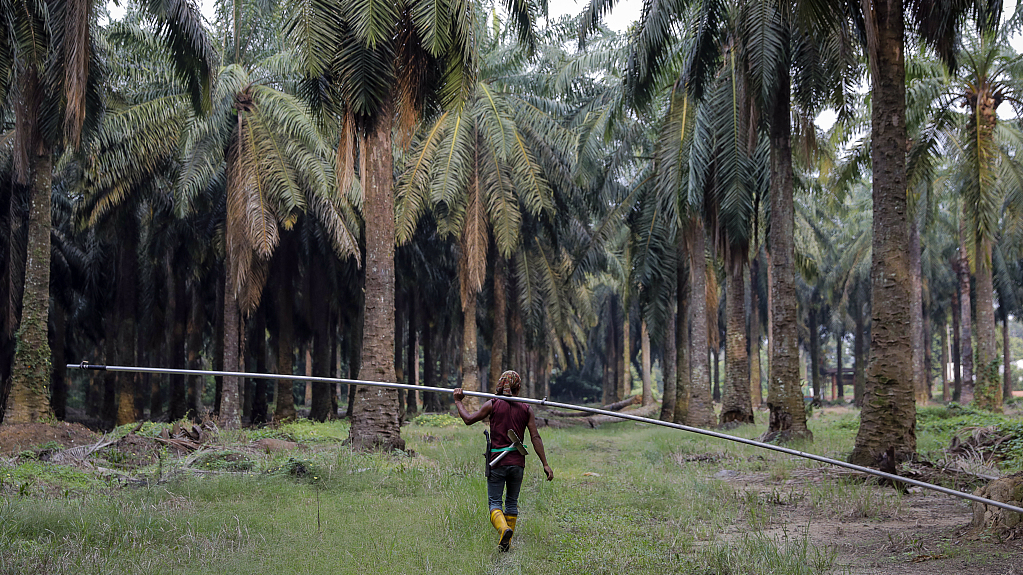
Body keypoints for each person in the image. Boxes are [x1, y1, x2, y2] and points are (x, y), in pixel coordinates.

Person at [453, 370, 553, 552]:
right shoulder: (526, 409)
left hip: (497, 463)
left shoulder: (493, 404)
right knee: (512, 503)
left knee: (495, 503)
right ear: (518, 387)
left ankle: (503, 529)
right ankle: (506, 543)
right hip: (517, 464)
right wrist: (545, 464)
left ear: (500, 385)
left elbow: (468, 420)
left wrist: (458, 401)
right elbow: (535, 437)